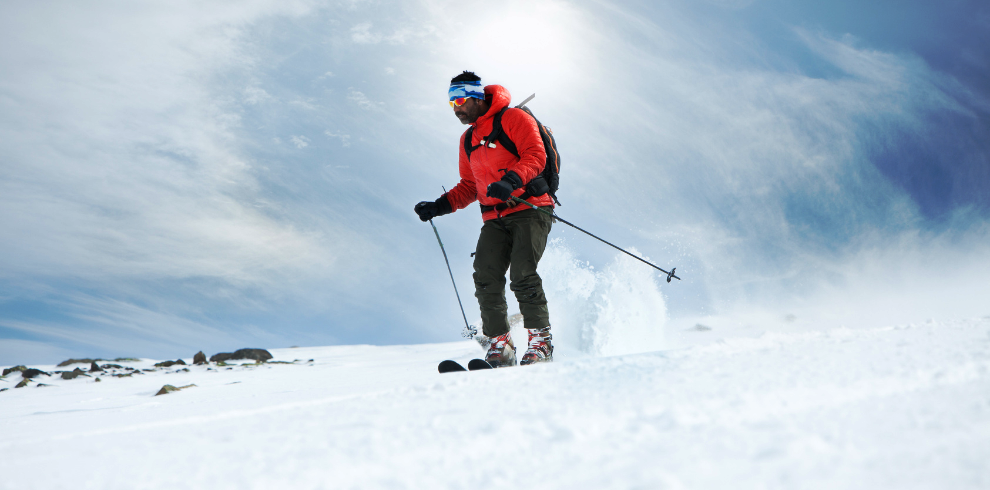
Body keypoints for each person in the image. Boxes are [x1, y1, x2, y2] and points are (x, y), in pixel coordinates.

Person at [415, 71, 555, 367]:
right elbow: (469, 186)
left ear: (477, 96)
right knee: (485, 276)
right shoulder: (468, 140)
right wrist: (439, 206)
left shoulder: (514, 119)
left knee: (522, 274)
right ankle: (500, 347)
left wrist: (512, 180)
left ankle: (541, 344)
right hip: (494, 217)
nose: (457, 107)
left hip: (529, 207)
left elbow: (535, 155)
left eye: (461, 99)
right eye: (451, 102)